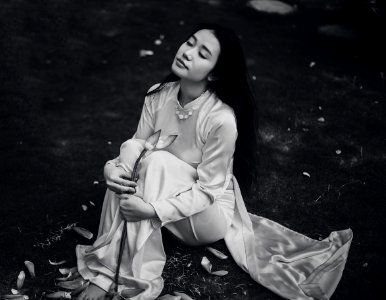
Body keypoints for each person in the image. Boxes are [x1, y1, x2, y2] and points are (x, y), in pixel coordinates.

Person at [76, 23, 353, 300]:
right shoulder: (158, 94)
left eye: (202, 53)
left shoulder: (221, 119)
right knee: (135, 149)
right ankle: (109, 266)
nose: (188, 52)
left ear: (216, 72)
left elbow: (208, 192)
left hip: (205, 219)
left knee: (156, 160)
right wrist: (110, 169)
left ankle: (118, 276)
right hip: (162, 192)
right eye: (190, 42)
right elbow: (134, 150)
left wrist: (151, 211)